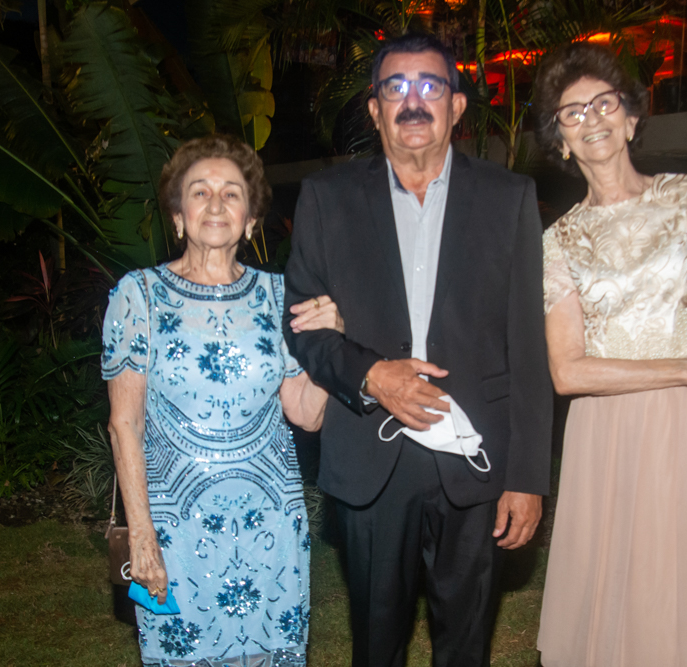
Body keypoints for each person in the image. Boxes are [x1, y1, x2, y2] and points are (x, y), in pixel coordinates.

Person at [282, 32, 552, 667]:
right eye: (394, 87)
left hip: (478, 457)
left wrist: (526, 477)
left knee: (466, 644)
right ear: (374, 109)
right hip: (372, 456)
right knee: (377, 644)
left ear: (456, 106)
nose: (412, 100)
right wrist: (373, 375)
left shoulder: (509, 198)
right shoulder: (326, 198)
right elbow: (304, 327)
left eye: (430, 85)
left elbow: (528, 347)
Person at [533, 43, 687, 667]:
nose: (591, 119)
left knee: (675, 589)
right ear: (561, 142)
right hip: (608, 425)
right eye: (571, 113)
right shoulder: (557, 241)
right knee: (609, 590)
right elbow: (567, 372)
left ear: (631, 118)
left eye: (603, 103)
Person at [102, 135, 342, 667]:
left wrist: (331, 346)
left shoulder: (280, 297)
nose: (216, 204)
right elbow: (124, 424)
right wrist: (141, 534)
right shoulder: (139, 295)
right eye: (200, 192)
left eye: (232, 193)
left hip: (270, 528)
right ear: (178, 215)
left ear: (251, 219)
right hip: (174, 529)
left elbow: (306, 413)